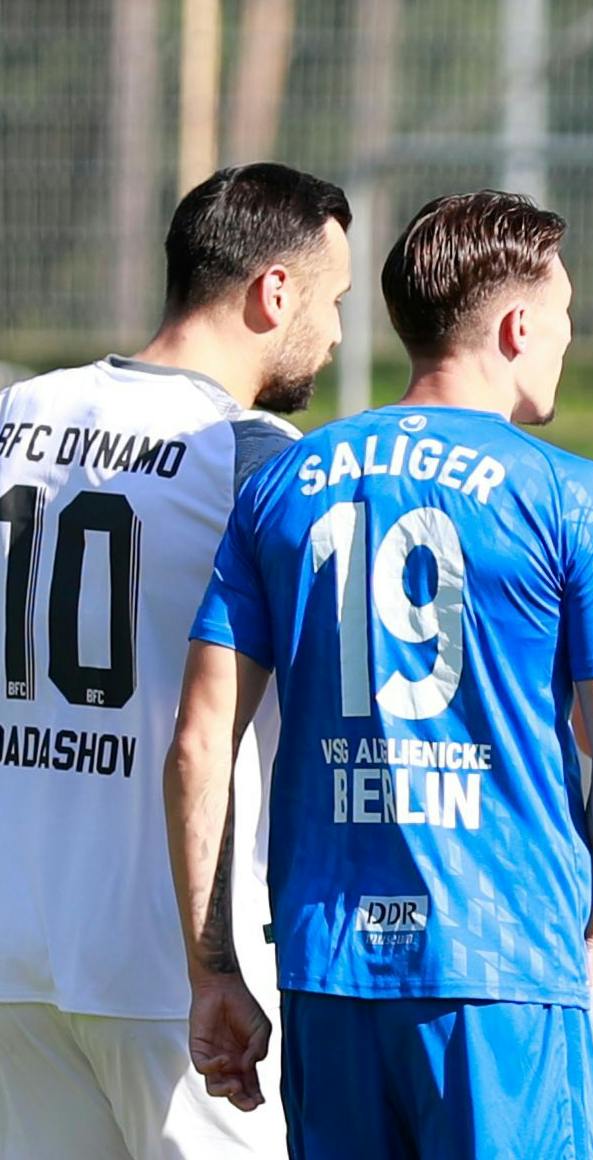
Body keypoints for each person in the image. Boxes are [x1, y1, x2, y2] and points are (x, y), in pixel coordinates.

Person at [164, 191, 593, 1159]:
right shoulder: (569, 493)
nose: (564, 341)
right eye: (564, 320)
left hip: (329, 967)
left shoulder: (286, 479)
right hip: (505, 965)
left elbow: (198, 744)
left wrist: (214, 968)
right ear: (519, 326)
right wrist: (585, 927)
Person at [0, 161, 349, 1160]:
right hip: (169, 961)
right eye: (332, 302)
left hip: (16, 946)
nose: (332, 332)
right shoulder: (247, 453)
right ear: (273, 291)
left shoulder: (19, 414)